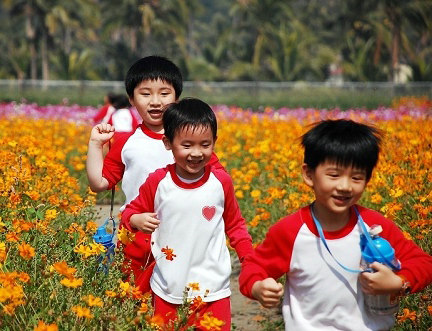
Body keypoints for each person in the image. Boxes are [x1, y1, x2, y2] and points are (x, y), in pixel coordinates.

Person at [239, 119, 432, 331]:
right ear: (309, 174)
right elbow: (254, 267)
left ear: (367, 180)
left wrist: (398, 283)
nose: (345, 186)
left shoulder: (374, 227)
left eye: (356, 177)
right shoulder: (290, 231)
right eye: (334, 175)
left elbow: (423, 263)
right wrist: (257, 287)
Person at [86, 56, 224, 282]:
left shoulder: (190, 143)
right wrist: (95, 145)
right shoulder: (126, 142)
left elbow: (218, 180)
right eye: (145, 93)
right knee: (133, 298)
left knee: (178, 296)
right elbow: (98, 183)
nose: (155, 101)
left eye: (164, 93)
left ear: (176, 97)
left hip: (182, 233)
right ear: (131, 98)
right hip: (135, 234)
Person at [121, 98, 253, 330]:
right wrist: (136, 219)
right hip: (167, 288)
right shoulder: (158, 181)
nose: (196, 153)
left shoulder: (220, 181)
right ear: (168, 143)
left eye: (205, 144)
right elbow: (130, 212)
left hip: (213, 290)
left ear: (215, 142)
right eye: (187, 145)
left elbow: (235, 226)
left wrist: (250, 261)